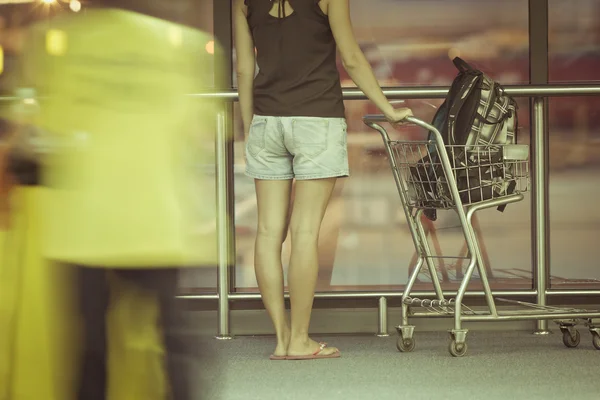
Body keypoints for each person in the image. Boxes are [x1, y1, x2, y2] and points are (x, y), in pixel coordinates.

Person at [234, 0, 413, 360]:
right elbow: (350, 56)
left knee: (268, 233)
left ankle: (282, 339)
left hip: (267, 121)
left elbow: (243, 69)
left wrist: (252, 125)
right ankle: (300, 340)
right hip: (316, 120)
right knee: (304, 233)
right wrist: (388, 107)